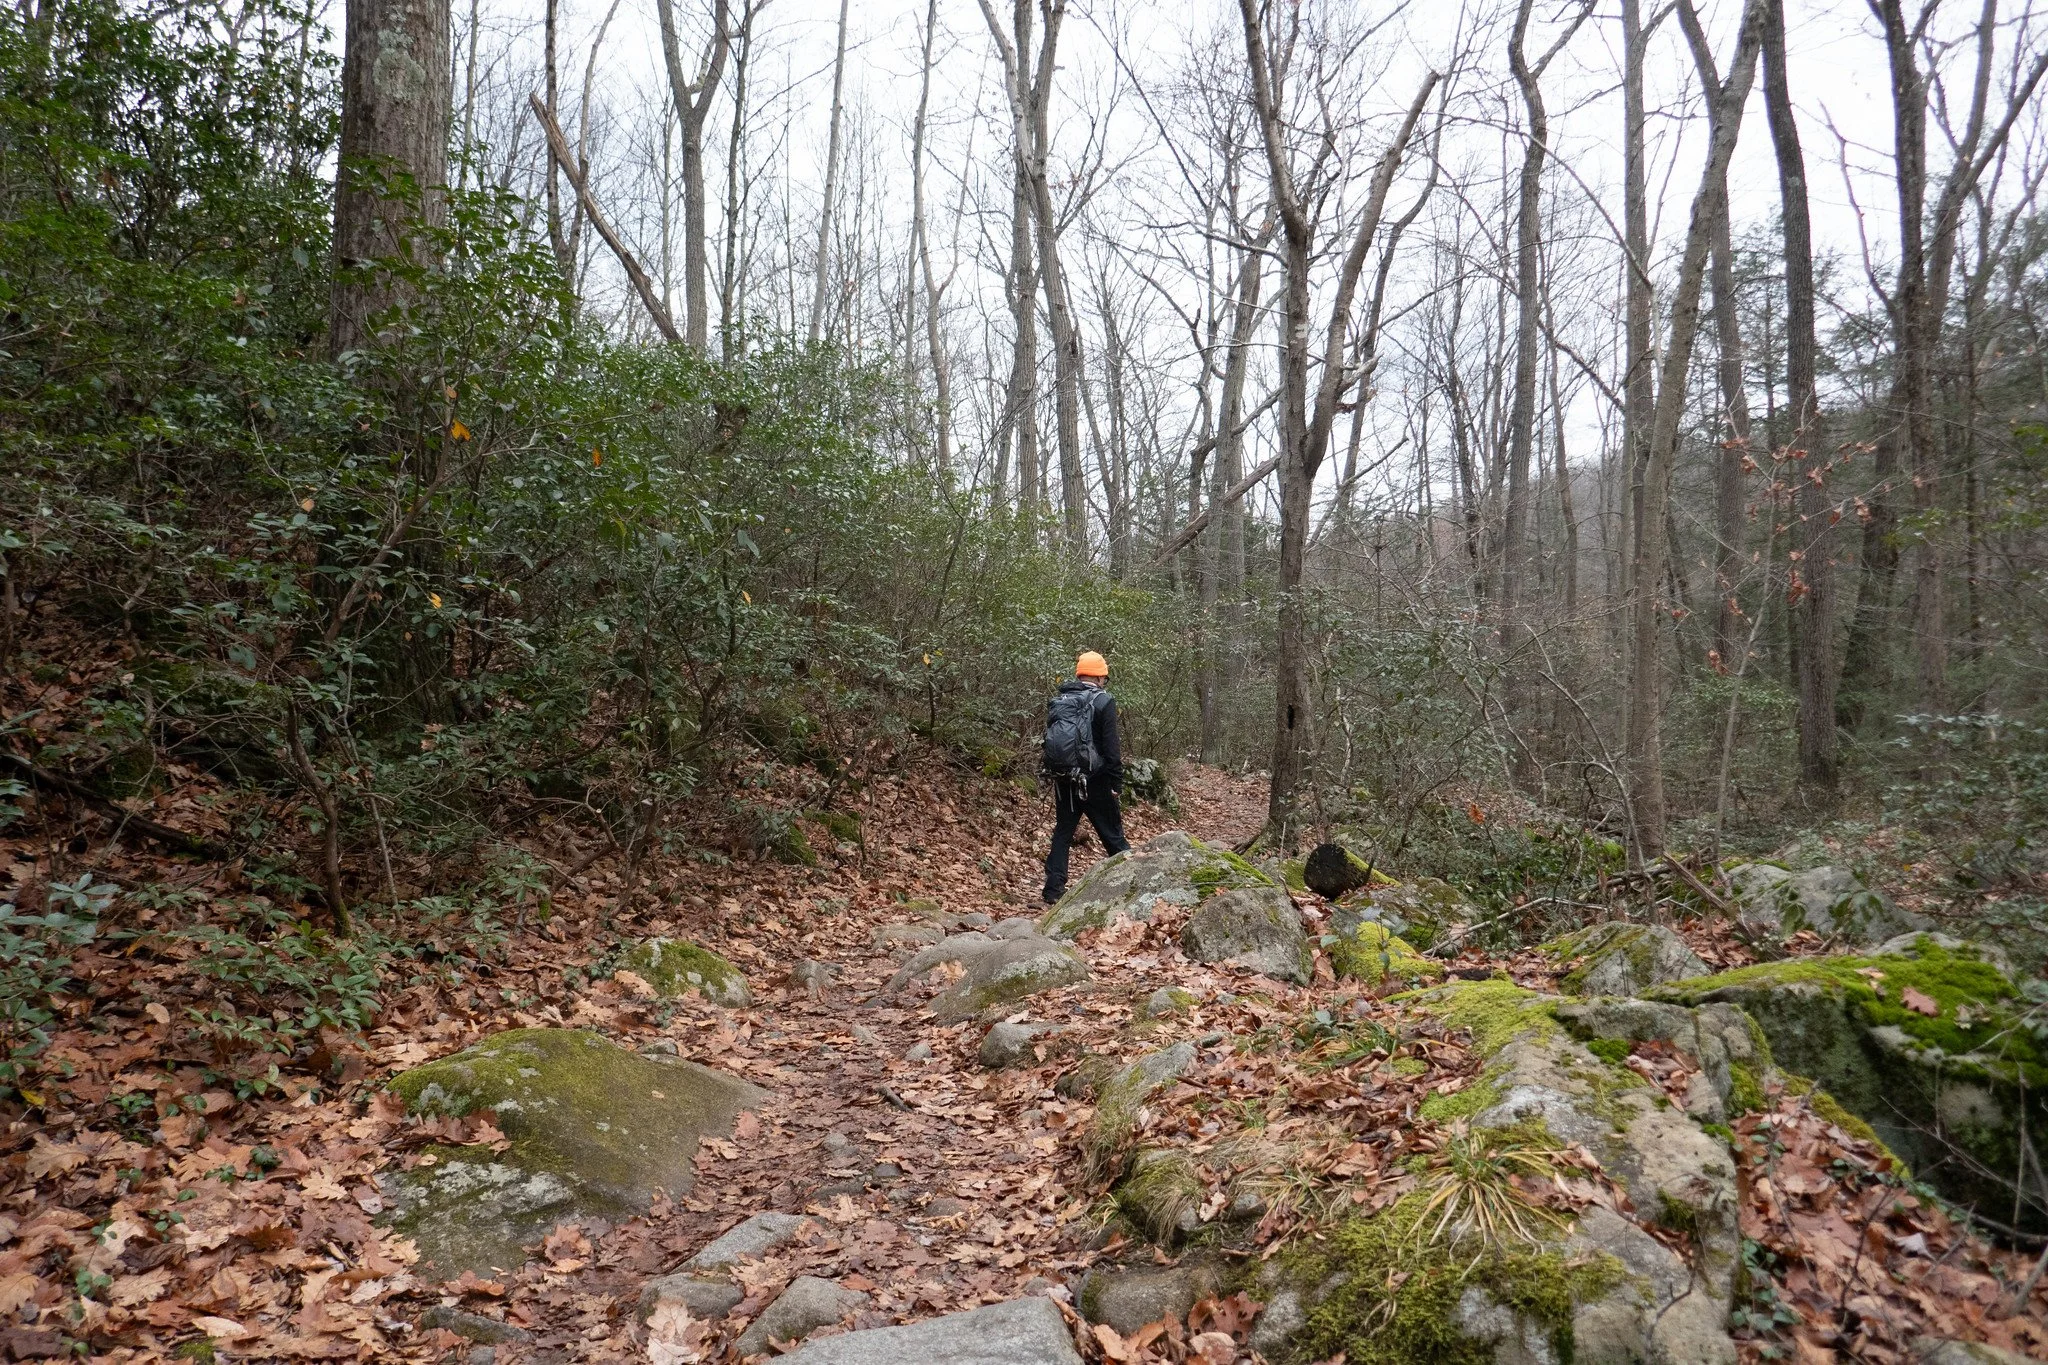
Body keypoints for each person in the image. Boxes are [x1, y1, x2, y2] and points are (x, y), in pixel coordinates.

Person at [1041, 651, 1130, 903]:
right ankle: (1133, 884)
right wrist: (1116, 781)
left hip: (1065, 778)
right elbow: (1111, 747)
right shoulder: (1104, 701)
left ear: (1080, 674)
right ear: (1100, 677)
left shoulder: (1062, 699)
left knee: (1063, 832)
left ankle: (1053, 890)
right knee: (1112, 835)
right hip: (1096, 780)